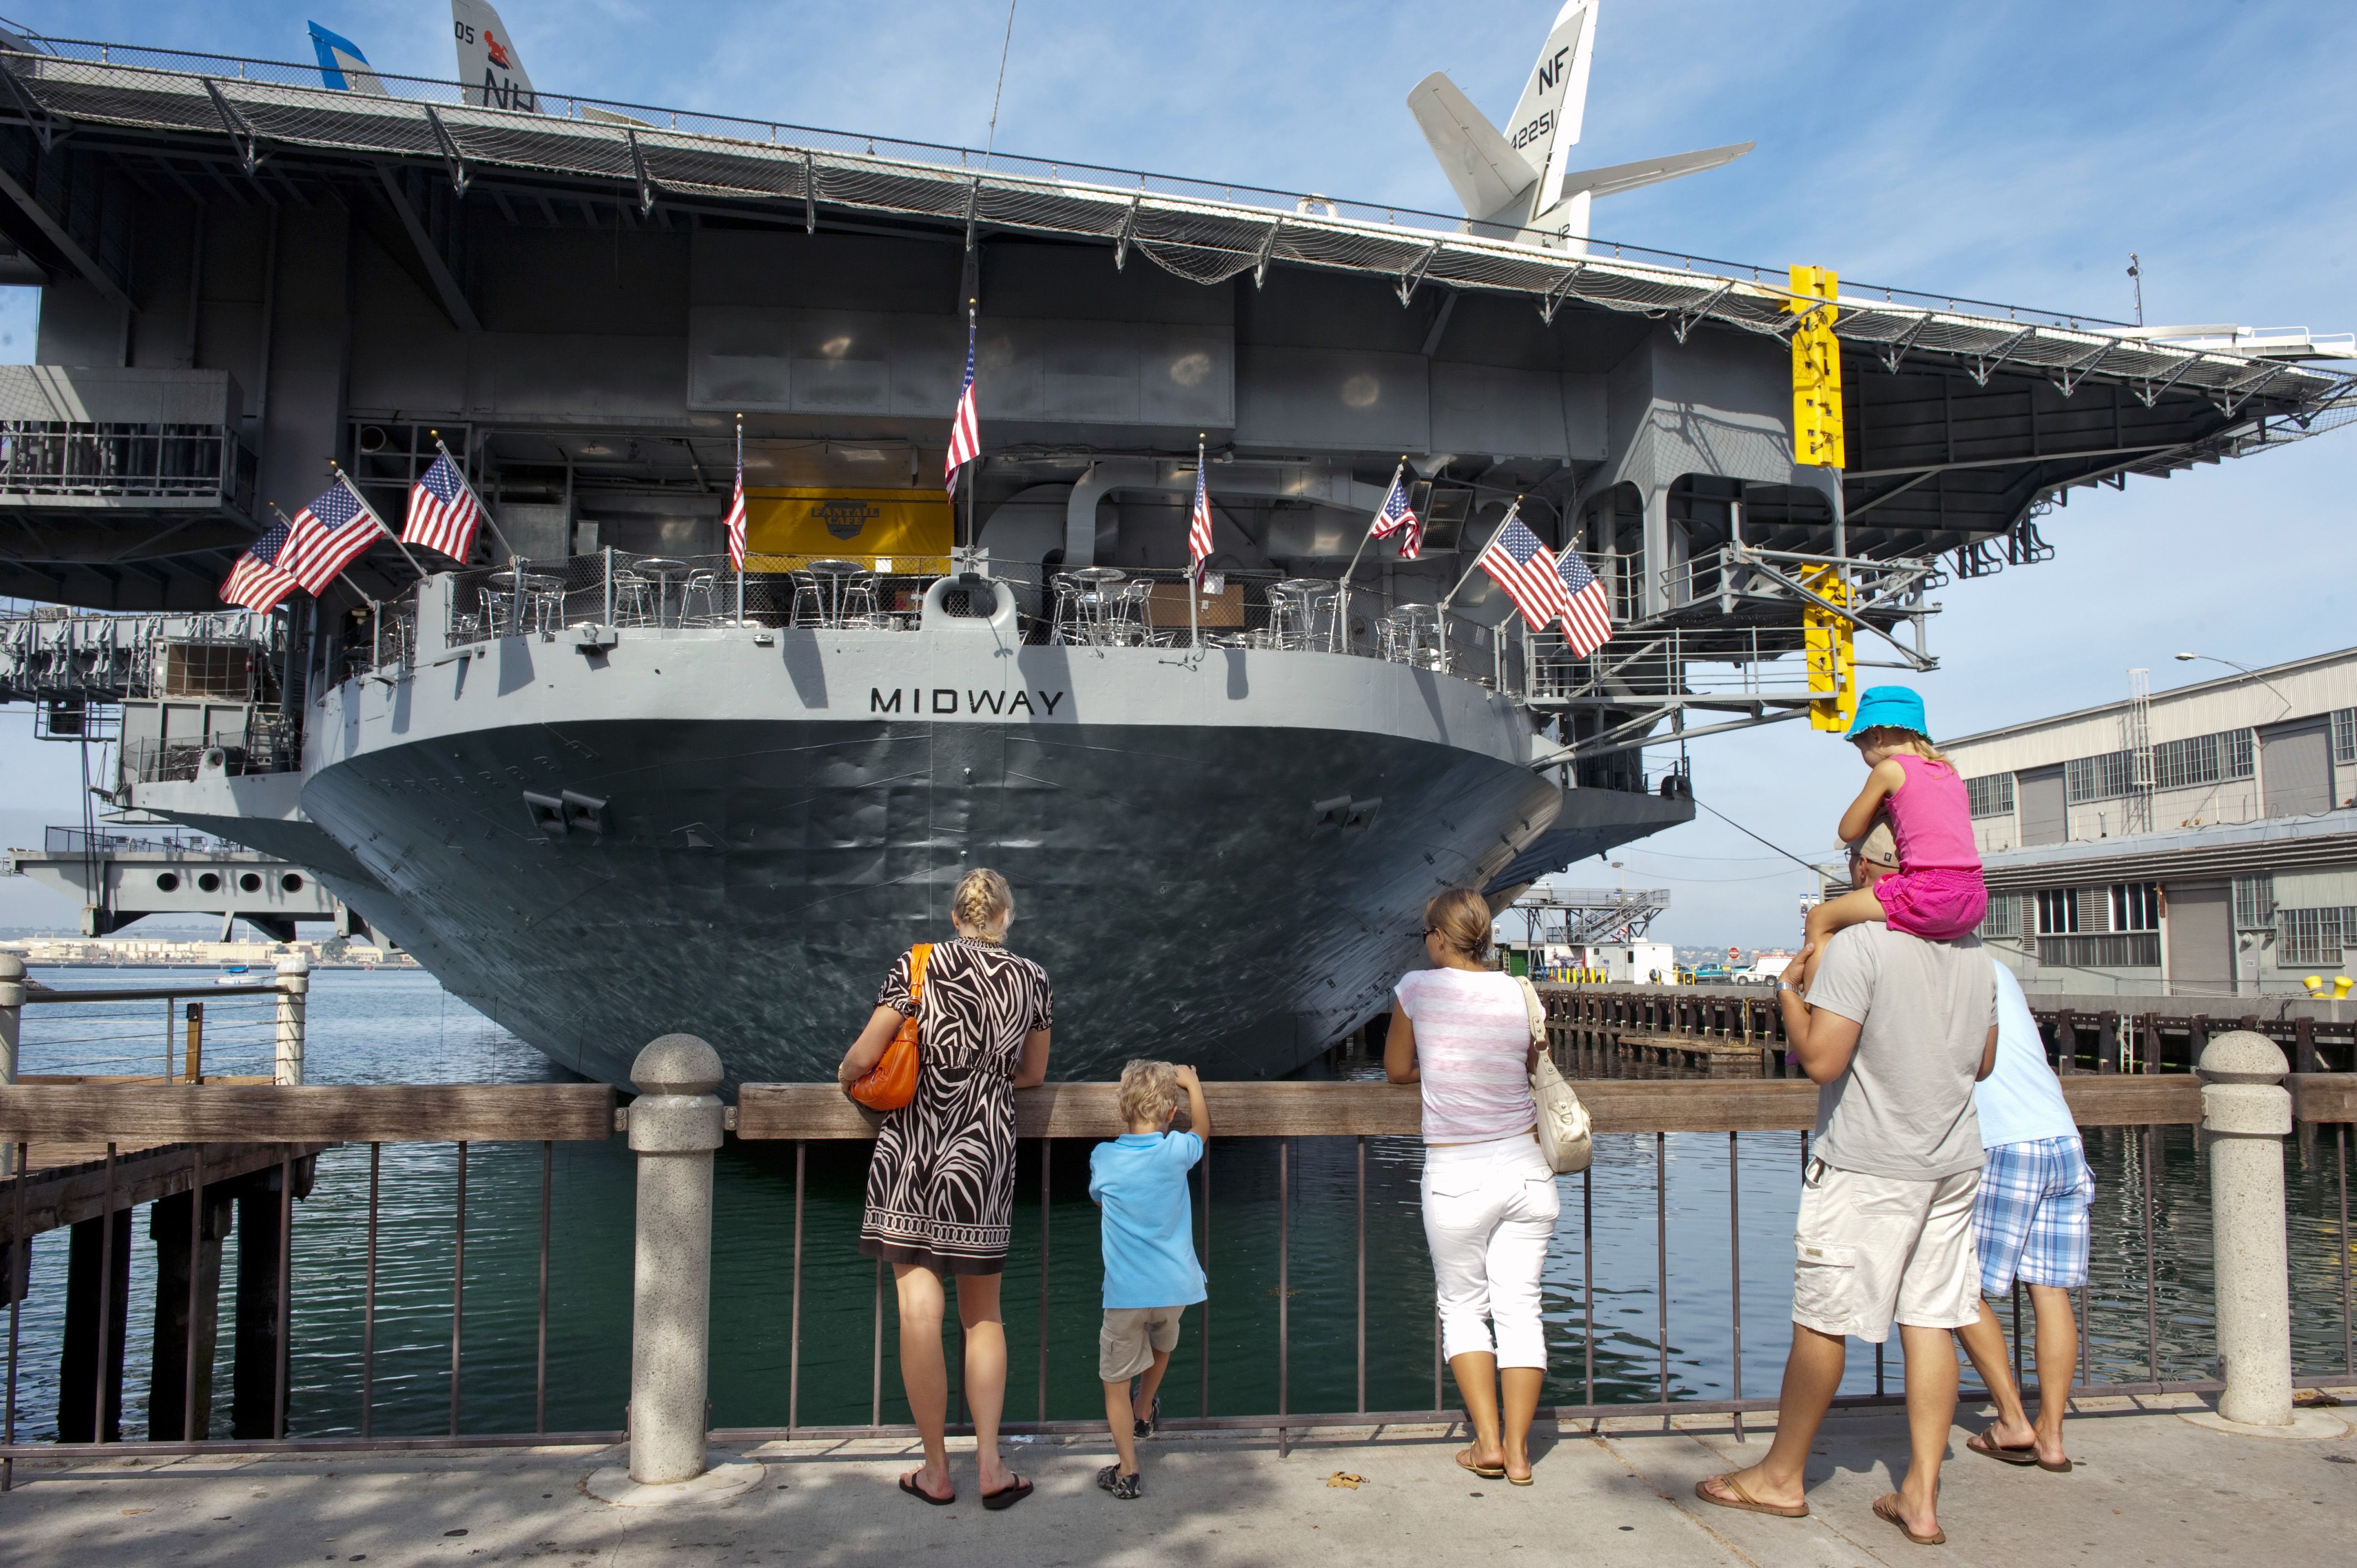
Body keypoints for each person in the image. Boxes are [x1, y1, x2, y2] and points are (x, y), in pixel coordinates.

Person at [1695, 830, 1998, 1548]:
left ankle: (1781, 1476)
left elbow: (1823, 1061)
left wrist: (1790, 993)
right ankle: (1920, 1495)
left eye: (1859, 859)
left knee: (1823, 1320)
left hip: (1868, 1161)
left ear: (1871, 871)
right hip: (1951, 1161)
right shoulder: (1974, 953)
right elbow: (1983, 1062)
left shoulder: (1863, 945)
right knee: (1929, 1319)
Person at [836, 868, 1051, 1512]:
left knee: (918, 1315)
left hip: (911, 1151)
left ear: (956, 917)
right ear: (1005, 918)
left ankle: (935, 1471)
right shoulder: (1031, 977)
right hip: (983, 1154)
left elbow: (866, 1054)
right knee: (982, 1314)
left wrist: (850, 1078)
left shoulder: (917, 964)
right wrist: (982, 1086)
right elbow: (1033, 1074)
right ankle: (990, 1465)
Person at [1385, 887, 1558, 1487]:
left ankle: (1485, 1442)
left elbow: (1396, 1071)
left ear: (1437, 935)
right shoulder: (1518, 989)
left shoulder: (1414, 989)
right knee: (1520, 1310)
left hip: (1458, 1174)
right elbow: (1533, 1065)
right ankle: (1517, 1451)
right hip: (1527, 1170)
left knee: (1463, 1307)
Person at [1955, 958, 2091, 1473]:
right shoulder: (1995, 967)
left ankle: (2013, 1420)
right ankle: (2052, 1439)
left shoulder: (1942, 969)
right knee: (2049, 1291)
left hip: (2005, 1142)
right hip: (2061, 1138)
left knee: (1958, 1286)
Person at [1795, 686, 1986, 993]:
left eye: (1861, 748)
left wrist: (1877, 800)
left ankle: (1815, 1010)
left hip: (1926, 893)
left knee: (1819, 918)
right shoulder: (1948, 772)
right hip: (1973, 900)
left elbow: (1848, 830)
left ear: (1877, 737)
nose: (1864, 757)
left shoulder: (1889, 769)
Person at [1088, 1059, 1210, 1501]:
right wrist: (1193, 1085)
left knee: (1113, 1381)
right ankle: (1146, 1410)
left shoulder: (1103, 1157)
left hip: (1125, 1293)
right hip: (1175, 1289)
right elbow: (1203, 1129)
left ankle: (1128, 1469)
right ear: (1170, 1113)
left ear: (1122, 1109)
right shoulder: (1177, 1150)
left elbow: (1101, 1199)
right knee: (1162, 1344)